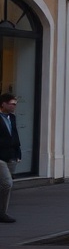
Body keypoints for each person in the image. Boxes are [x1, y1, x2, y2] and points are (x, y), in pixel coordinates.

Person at [0, 93, 22, 223]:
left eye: (15, 104)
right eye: (12, 104)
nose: (14, 106)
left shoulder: (12, 118)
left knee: (5, 184)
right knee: (7, 183)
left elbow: (14, 134)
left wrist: (18, 152)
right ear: (3, 104)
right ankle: (3, 213)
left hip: (11, 156)